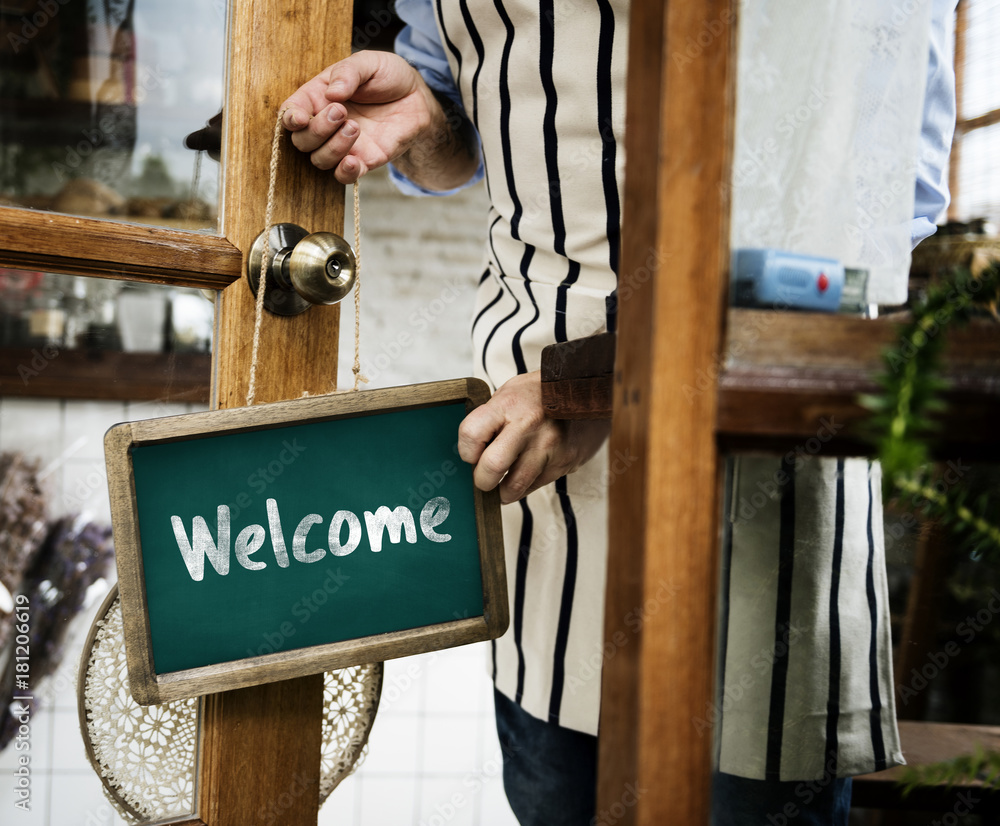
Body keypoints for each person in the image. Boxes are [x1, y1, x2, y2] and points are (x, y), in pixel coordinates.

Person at [280, 1, 956, 823]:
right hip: (537, 489)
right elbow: (462, 142)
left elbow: (869, 217)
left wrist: (605, 383)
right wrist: (425, 115)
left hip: (752, 479)